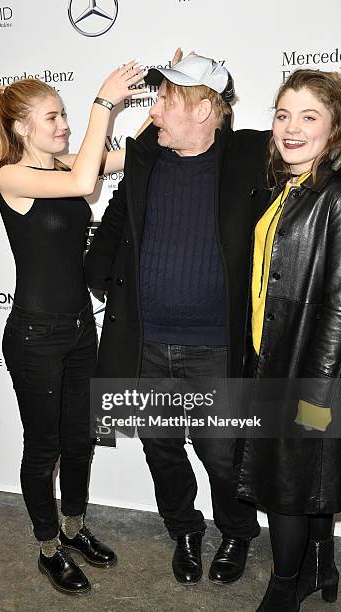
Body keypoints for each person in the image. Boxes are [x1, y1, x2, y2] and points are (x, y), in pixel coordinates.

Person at [84, 54, 271, 586]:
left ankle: (236, 531)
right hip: (146, 341)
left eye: (167, 101)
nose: (155, 111)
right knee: (161, 446)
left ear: (208, 110)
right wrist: (93, 277)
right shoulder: (145, 158)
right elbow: (116, 216)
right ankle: (184, 529)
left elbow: (316, 142)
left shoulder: (250, 154)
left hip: (216, 344)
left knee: (221, 454)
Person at [0, 62, 145, 595]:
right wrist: (106, 101)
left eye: (66, 115)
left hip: (79, 328)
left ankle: (74, 529)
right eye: (53, 117)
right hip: (35, 335)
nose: (65, 124)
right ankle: (48, 548)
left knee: (80, 441)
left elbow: (120, 160)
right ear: (22, 129)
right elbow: (86, 180)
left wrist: (163, 103)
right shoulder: (11, 175)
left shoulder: (60, 166)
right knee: (45, 446)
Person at [237, 69, 341, 611]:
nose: (291, 128)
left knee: (285, 482)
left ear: (335, 127)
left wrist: (314, 391)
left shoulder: (335, 195)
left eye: (309, 116)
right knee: (309, 474)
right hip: (277, 358)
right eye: (282, 115)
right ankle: (320, 568)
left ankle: (283, 587)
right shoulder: (295, 186)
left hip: (309, 373)